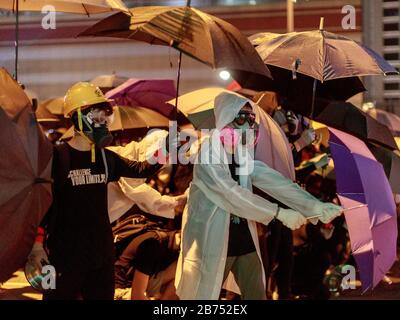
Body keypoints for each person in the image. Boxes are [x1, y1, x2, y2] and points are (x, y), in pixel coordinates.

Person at [175, 92, 342, 300]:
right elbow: (229, 193)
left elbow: (272, 179)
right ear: (226, 118)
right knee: (203, 297)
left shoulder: (241, 152)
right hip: (213, 238)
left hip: (243, 238)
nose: (248, 124)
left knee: (256, 295)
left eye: (251, 118)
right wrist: (278, 213)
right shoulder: (208, 152)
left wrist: (313, 206)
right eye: (241, 117)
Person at [27, 82, 165, 300]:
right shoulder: (57, 157)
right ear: (77, 118)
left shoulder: (105, 157)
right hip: (64, 257)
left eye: (104, 119)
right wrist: (37, 247)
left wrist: (166, 152)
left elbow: (140, 170)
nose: (102, 124)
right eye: (96, 118)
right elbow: (42, 206)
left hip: (101, 256)